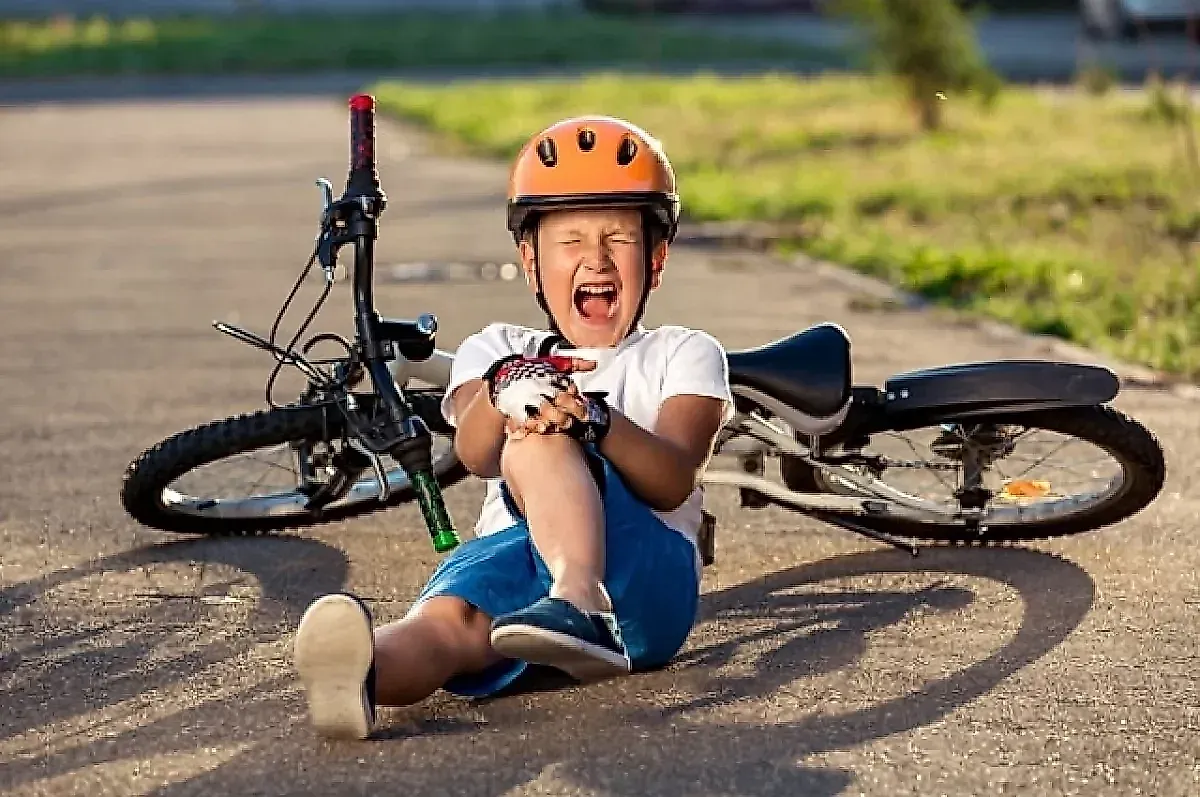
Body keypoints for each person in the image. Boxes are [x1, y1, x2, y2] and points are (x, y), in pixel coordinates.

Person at [292, 115, 734, 740]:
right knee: (449, 624)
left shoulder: (684, 353)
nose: (596, 258)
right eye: (570, 242)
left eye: (619, 239)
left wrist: (592, 418)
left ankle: (579, 598)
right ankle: (361, 673)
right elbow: (474, 454)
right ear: (530, 262)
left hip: (640, 582)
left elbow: (671, 479)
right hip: (518, 570)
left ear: (656, 257)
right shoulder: (495, 347)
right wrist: (503, 391)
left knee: (542, 428)